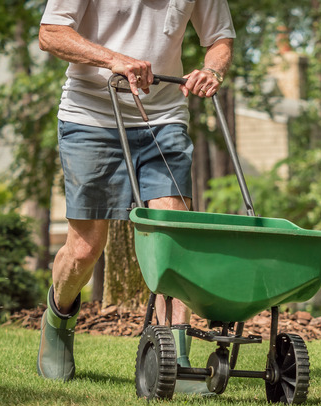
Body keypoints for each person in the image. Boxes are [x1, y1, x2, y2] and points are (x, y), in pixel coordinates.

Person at [36, 0, 235, 384]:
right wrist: (113, 59)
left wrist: (212, 69)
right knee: (84, 249)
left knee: (171, 241)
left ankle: (176, 358)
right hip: (90, 116)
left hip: (163, 117)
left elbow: (220, 38)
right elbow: (51, 33)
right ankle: (58, 319)